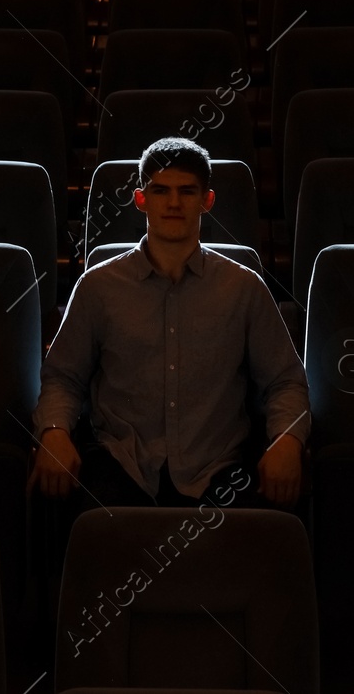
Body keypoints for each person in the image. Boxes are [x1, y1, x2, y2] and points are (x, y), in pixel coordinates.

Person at [30, 137, 310, 510]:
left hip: (219, 468)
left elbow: (285, 381)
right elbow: (63, 377)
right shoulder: (98, 286)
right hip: (120, 463)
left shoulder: (244, 288)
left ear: (207, 200)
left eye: (186, 191)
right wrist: (54, 433)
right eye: (160, 190)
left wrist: (287, 441)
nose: (174, 203)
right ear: (141, 199)